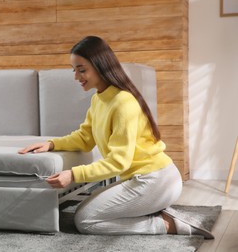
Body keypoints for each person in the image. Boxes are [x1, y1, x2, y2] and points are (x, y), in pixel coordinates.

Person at [19, 36, 213, 238]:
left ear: (100, 66)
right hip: (139, 179)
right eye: (74, 70)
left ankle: (166, 224)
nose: (76, 77)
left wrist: (73, 175)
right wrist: (51, 144)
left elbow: (119, 162)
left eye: (82, 70)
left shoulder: (123, 103)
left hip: (155, 180)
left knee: (85, 221)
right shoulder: (99, 99)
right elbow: (85, 138)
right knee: (86, 207)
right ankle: (151, 209)